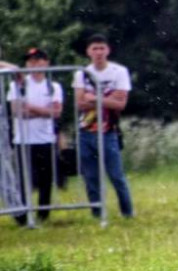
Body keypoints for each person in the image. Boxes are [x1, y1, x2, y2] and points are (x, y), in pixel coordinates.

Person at [72, 34, 134, 218]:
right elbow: (80, 103)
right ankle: (97, 213)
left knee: (116, 175)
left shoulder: (119, 72)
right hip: (86, 130)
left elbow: (121, 103)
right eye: (94, 49)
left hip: (108, 131)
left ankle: (127, 212)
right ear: (88, 52)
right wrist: (107, 100)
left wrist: (95, 98)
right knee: (90, 177)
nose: (98, 52)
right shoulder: (81, 74)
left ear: (108, 50)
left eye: (101, 48)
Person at [8, 48, 63, 225]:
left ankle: (43, 214)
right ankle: (23, 215)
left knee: (46, 180)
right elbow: (16, 111)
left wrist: (31, 107)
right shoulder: (18, 85)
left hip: (45, 139)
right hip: (23, 141)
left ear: (46, 62)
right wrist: (42, 111)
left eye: (39, 59)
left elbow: (56, 112)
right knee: (23, 181)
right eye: (30, 60)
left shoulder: (53, 86)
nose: (34, 63)